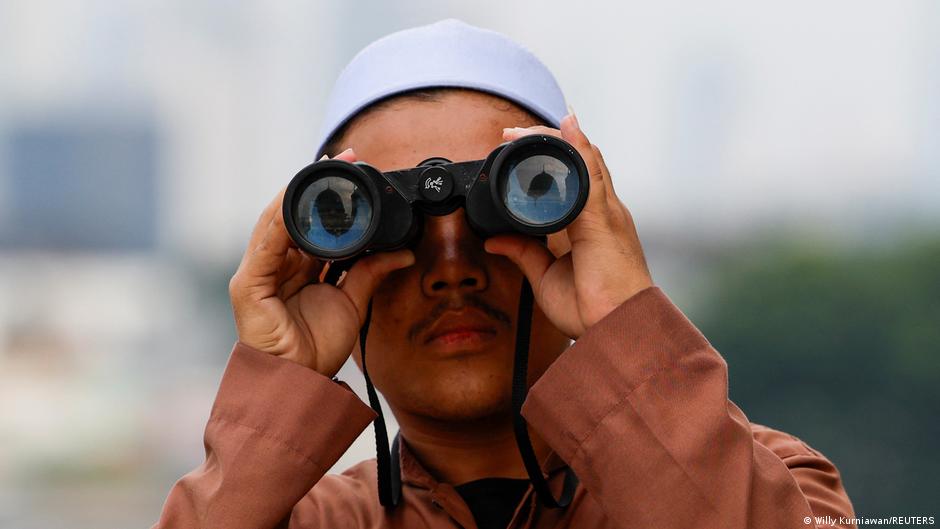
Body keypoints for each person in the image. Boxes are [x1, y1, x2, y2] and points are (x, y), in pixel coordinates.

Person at [152, 19, 856, 529]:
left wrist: (623, 316)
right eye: (384, 231)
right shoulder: (304, 521)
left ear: (580, 227)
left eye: (509, 212)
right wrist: (280, 378)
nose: (452, 269)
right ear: (325, 265)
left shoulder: (772, 483)